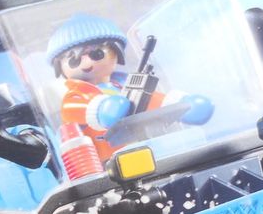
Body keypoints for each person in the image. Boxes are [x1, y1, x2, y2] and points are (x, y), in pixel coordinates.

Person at [47, 13, 213, 160]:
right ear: (59, 66)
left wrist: (181, 105)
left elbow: (151, 100)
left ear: (116, 51)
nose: (87, 62)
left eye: (96, 54)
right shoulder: (75, 97)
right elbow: (79, 111)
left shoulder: (124, 84)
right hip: (107, 166)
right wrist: (103, 110)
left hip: (151, 154)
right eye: (74, 59)